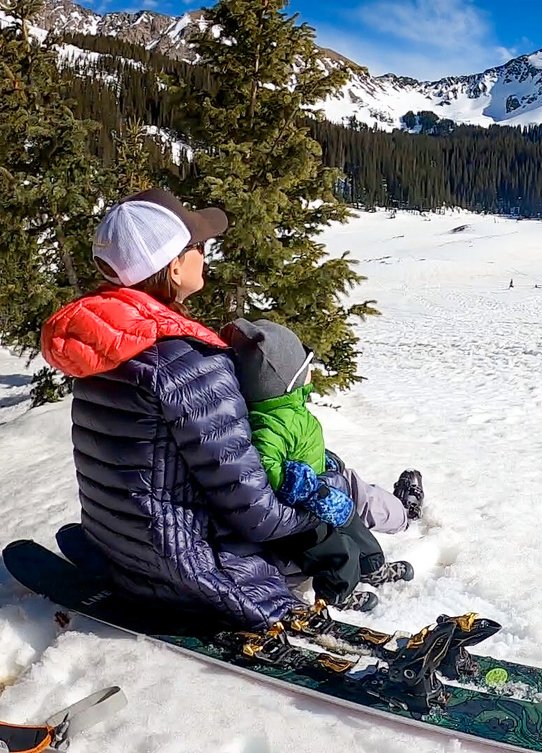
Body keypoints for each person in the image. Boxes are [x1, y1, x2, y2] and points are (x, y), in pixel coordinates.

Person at [37, 188, 414, 629]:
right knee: (328, 482)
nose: (205, 252)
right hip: (192, 573)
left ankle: (387, 514)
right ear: (174, 265)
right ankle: (388, 529)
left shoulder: (103, 345)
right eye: (196, 245)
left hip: (122, 548)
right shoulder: (190, 364)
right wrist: (322, 500)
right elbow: (256, 515)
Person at [219, 318, 420, 611]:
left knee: (356, 529)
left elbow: (301, 446)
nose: (311, 372)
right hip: (306, 507)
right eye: (305, 368)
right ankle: (338, 593)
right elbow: (265, 465)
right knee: (339, 550)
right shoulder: (270, 423)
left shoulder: (291, 410)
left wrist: (322, 462)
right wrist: (301, 486)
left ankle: (374, 567)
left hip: (326, 492)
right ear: (287, 380)